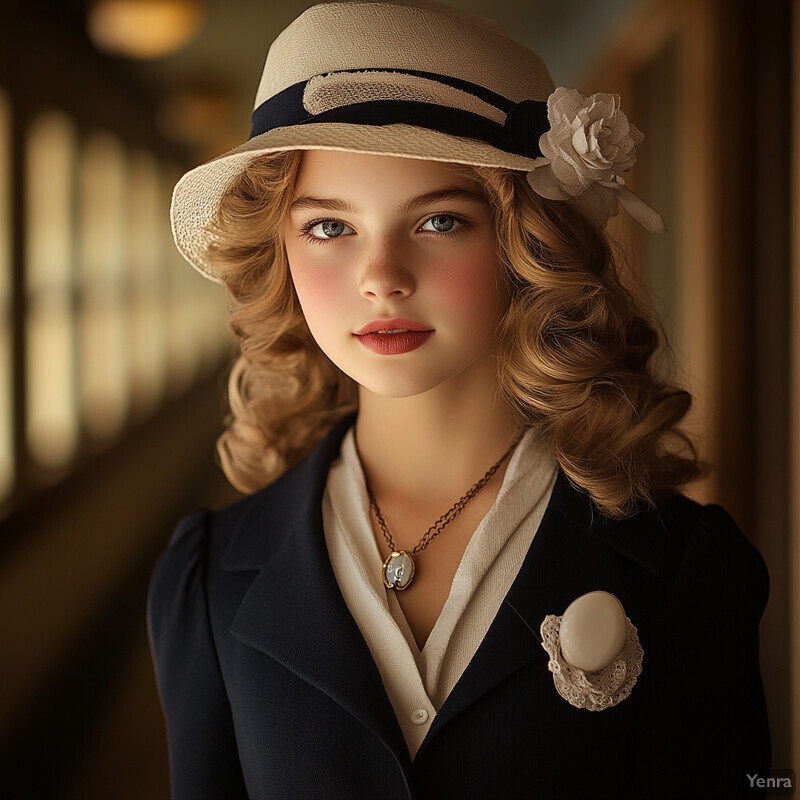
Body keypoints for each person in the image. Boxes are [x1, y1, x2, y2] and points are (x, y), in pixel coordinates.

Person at [147, 2, 771, 798]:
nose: (382, 277)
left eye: (440, 220)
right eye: (330, 228)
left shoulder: (683, 565)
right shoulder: (208, 580)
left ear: (526, 247)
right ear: (279, 251)